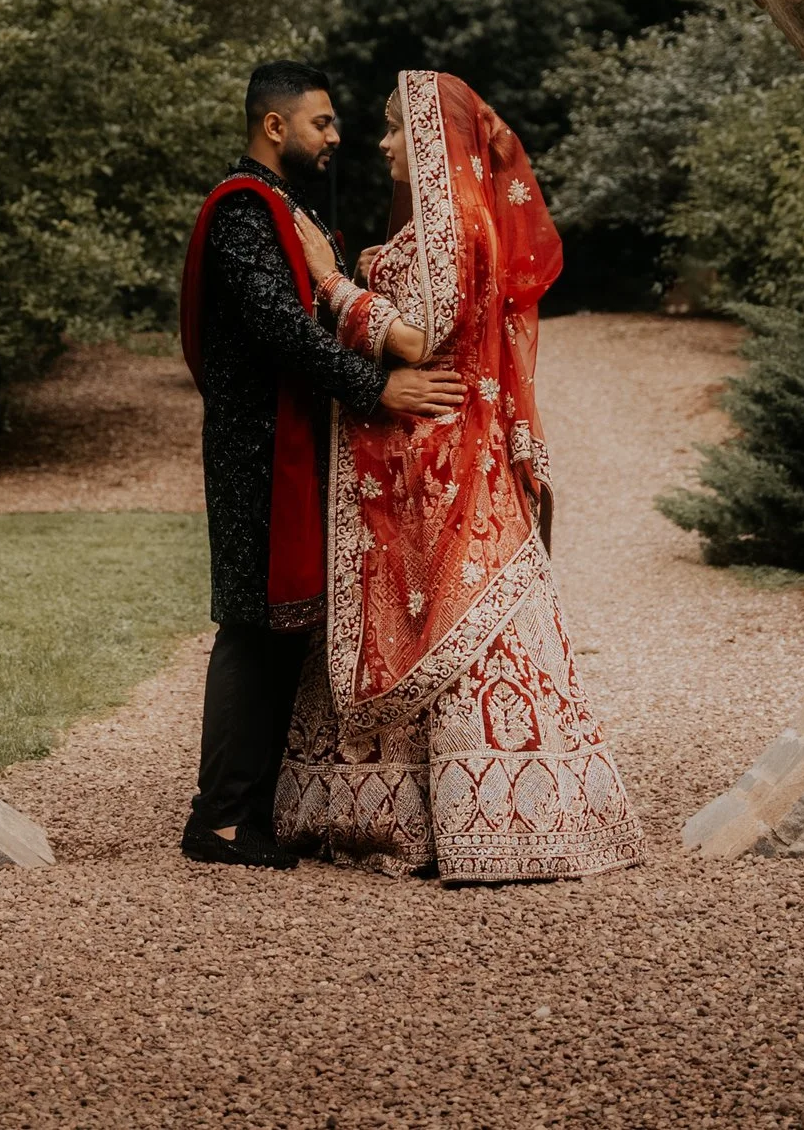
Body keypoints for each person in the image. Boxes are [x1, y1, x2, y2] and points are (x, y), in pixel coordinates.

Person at [274, 70, 643, 882]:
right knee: (474, 625)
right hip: (447, 456)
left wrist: (332, 282)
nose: (381, 144)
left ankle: (454, 818)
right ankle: (485, 812)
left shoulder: (454, 221)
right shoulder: (462, 225)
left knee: (441, 620)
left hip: (436, 465)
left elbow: (423, 332)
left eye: (395, 129)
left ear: (434, 138)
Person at [177, 61, 467, 869]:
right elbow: (281, 332)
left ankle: (255, 806)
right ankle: (221, 820)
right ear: (276, 127)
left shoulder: (287, 209)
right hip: (257, 451)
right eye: (323, 123)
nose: (337, 137)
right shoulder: (243, 210)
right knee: (251, 627)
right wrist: (383, 388)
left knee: (283, 628)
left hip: (291, 447)